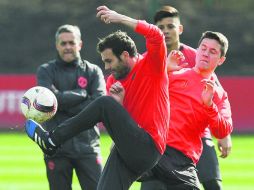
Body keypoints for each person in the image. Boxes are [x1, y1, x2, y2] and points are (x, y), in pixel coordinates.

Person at [25, 5, 169, 190]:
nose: (107, 67)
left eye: (109, 61)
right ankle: (53, 141)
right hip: (126, 150)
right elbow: (122, 123)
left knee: (104, 103)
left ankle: (52, 140)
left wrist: (120, 18)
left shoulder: (152, 66)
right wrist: (120, 104)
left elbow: (156, 35)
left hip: (149, 147)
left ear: (125, 55)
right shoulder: (113, 83)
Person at [140, 6, 232, 190]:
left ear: (179, 29)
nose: (165, 31)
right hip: (162, 138)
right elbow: (143, 95)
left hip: (196, 135)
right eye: (160, 27)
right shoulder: (147, 59)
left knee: (212, 183)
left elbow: (217, 94)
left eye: (170, 26)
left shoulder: (195, 54)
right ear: (153, 31)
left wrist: (225, 134)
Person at [36, 24, 106, 190]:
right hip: (56, 147)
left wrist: (60, 102)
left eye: (71, 42)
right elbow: (47, 103)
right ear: (57, 45)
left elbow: (100, 106)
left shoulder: (93, 71)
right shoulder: (45, 71)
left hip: (88, 146)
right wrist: (82, 95)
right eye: (63, 43)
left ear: (79, 44)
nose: (67, 47)